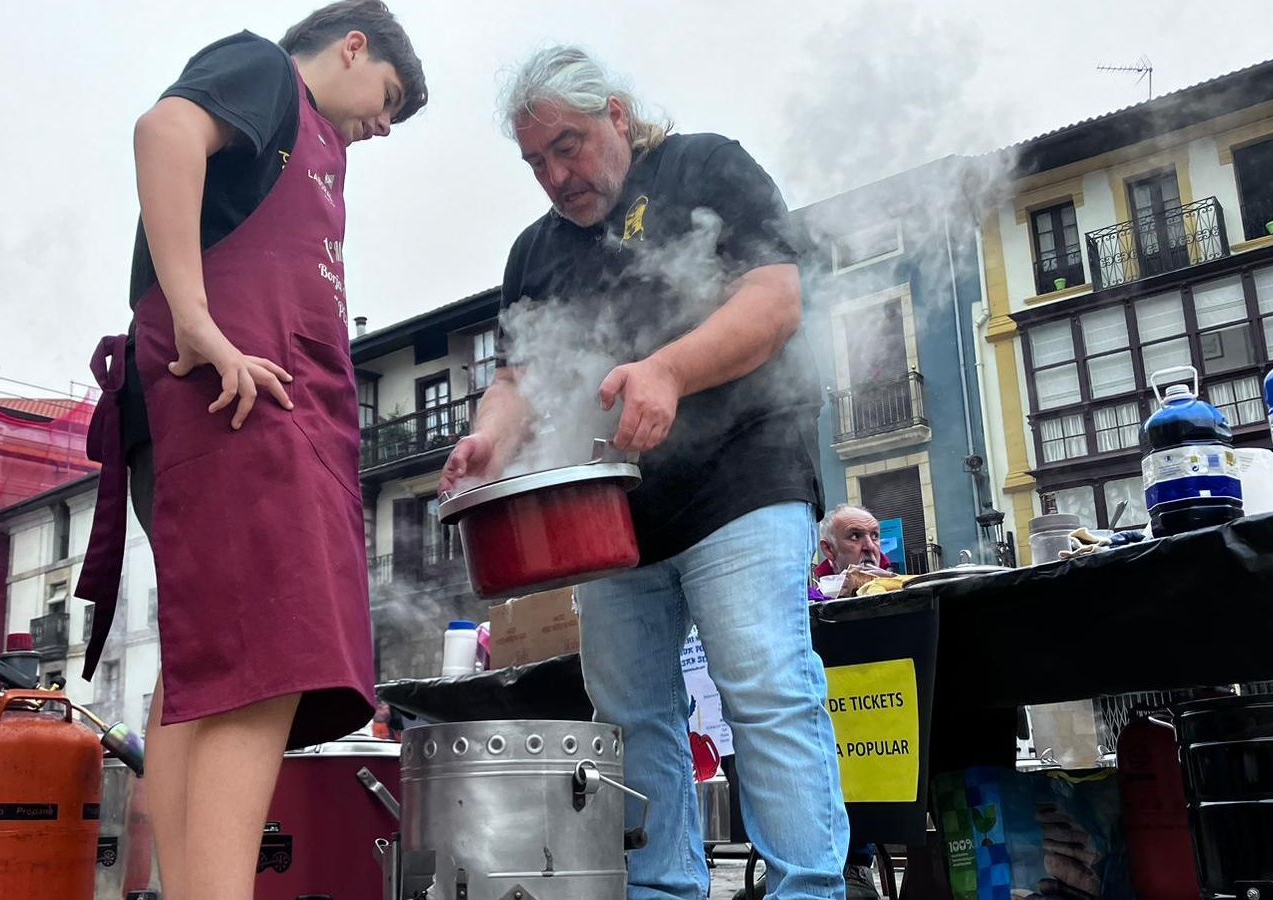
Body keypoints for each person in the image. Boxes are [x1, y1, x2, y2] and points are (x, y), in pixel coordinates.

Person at [441, 46, 847, 900]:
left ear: (618, 116)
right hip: (610, 515)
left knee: (765, 689)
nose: (556, 175)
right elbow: (518, 381)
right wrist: (488, 445)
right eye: (536, 161)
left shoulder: (706, 166)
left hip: (742, 478)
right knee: (628, 720)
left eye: (570, 145)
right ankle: (662, 891)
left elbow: (774, 302)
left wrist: (667, 369)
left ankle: (809, 890)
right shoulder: (535, 252)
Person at [71, 3, 427, 897]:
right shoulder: (263, 71)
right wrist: (196, 317)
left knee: (204, 672)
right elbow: (164, 130)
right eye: (388, 98)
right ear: (353, 46)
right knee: (259, 665)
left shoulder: (314, 152)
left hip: (259, 417)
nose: (383, 126)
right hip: (227, 405)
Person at [814, 504, 894, 580]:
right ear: (829, 549)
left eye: (874, 536)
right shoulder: (809, 594)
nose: (870, 546)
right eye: (855, 536)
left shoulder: (901, 589)